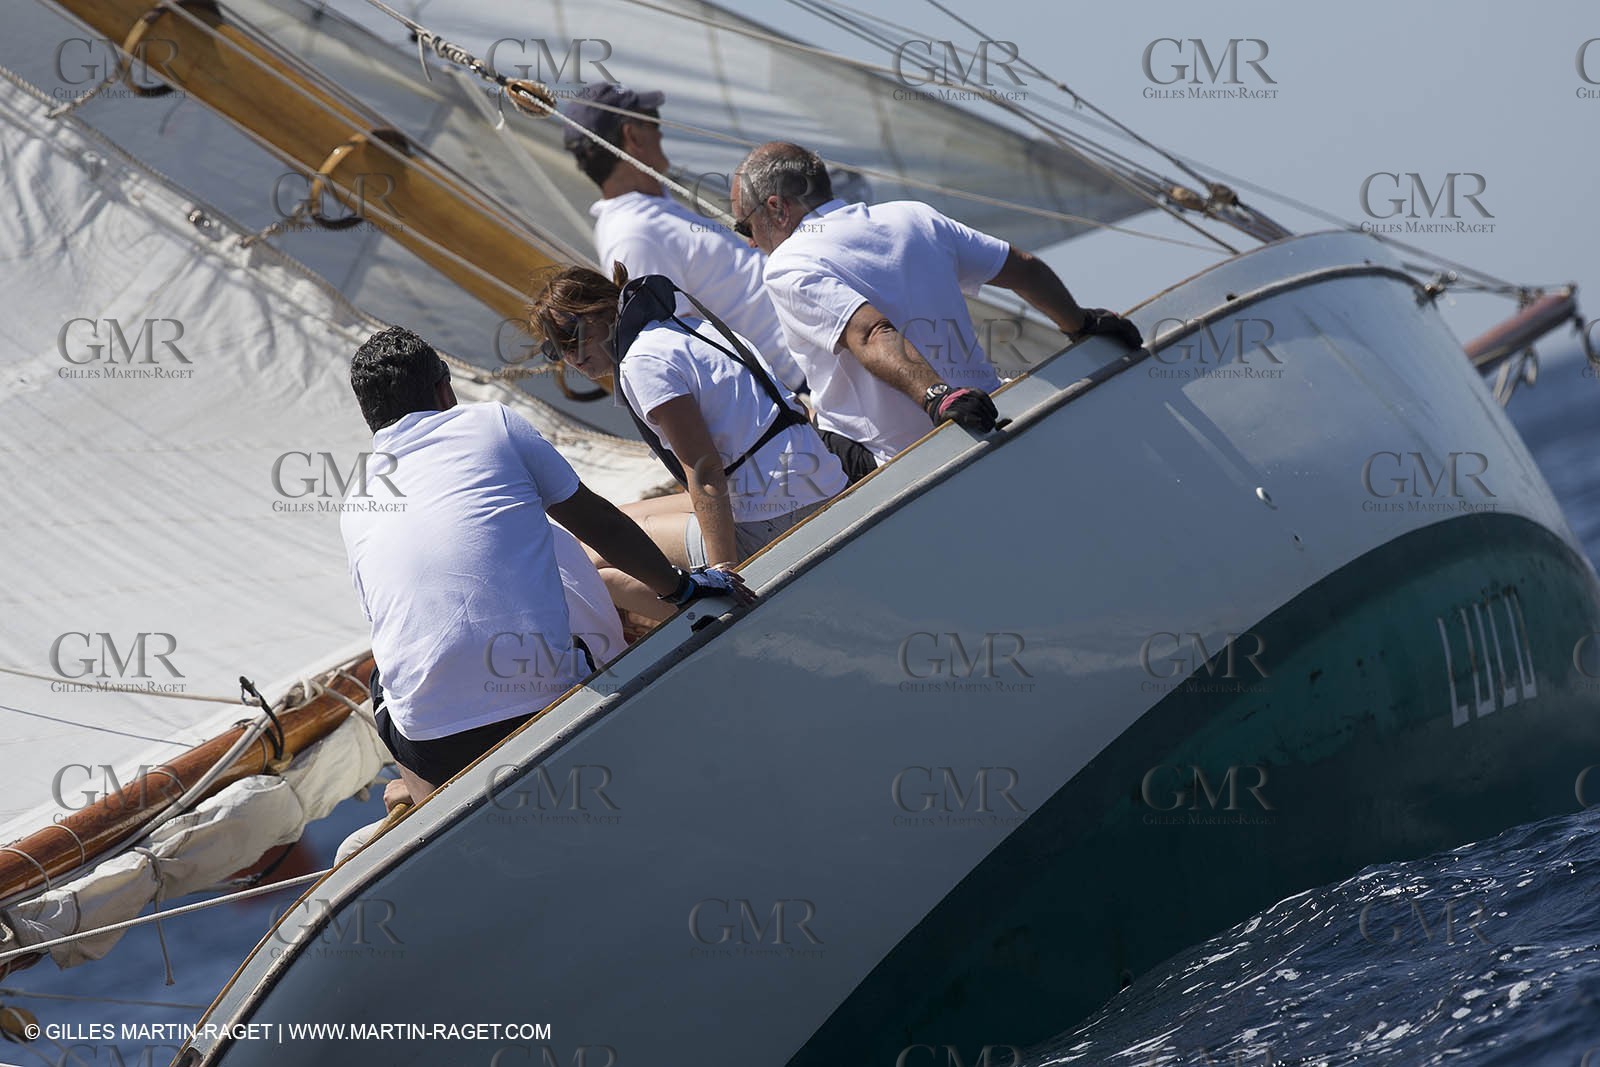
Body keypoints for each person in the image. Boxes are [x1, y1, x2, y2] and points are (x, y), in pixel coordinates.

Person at [340, 326, 749, 803]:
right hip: (543, 707)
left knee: (381, 680)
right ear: (443, 388)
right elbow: (598, 522)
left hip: (439, 748)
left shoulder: (356, 497)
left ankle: (431, 807)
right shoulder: (491, 423)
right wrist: (682, 590)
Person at [733, 141, 1143, 481]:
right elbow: (1022, 268)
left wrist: (939, 399)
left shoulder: (788, 264)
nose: (750, 243)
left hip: (902, 458)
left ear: (777, 208)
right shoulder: (911, 216)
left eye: (744, 227)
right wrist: (1082, 323)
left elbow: (870, 332)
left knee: (790, 425)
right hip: (994, 409)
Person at [528, 266, 848, 619]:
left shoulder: (642, 363)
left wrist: (724, 573)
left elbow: (704, 469)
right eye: (554, 348)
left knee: (594, 561)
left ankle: (725, 621)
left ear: (604, 308)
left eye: (571, 333)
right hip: (819, 483)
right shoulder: (687, 327)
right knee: (623, 521)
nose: (570, 355)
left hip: (779, 515)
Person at [560, 82, 807, 393]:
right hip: (804, 377)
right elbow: (674, 350)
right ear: (632, 136)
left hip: (815, 353)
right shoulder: (633, 234)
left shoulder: (649, 209)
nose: (660, 131)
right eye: (652, 119)